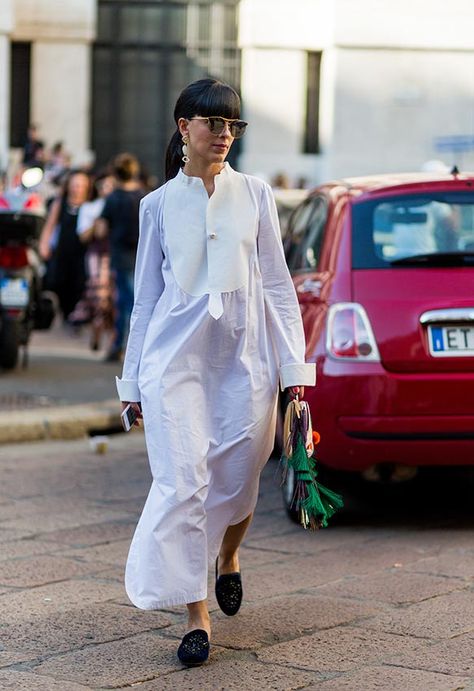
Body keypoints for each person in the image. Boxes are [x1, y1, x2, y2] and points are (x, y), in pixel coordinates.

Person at [115, 78, 315, 667]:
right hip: (173, 364)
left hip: (244, 364)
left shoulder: (255, 194)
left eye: (233, 125)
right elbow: (145, 301)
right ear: (184, 128)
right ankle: (196, 616)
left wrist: (293, 371)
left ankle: (229, 557)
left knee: (239, 478)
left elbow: (278, 286)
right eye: (214, 123)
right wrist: (131, 383)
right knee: (183, 486)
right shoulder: (155, 206)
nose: (225, 135)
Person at [95, 153, 144, 362]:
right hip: (143, 257)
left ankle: (121, 345)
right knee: (138, 301)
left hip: (121, 256)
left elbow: (101, 230)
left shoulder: (113, 198)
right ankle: (135, 346)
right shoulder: (145, 196)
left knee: (126, 302)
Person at [68, 172, 116, 350]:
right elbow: (86, 235)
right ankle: (97, 327)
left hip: (114, 255)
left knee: (112, 297)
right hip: (97, 254)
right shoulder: (91, 208)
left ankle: (108, 333)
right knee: (99, 293)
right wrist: (98, 221)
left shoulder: (117, 205)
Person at [39, 170, 91, 322]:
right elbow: (50, 224)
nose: (77, 189)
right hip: (62, 251)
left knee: (79, 282)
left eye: (81, 185)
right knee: (58, 281)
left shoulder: (88, 206)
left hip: (81, 252)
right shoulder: (60, 203)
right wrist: (44, 245)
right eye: (74, 185)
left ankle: (74, 315)